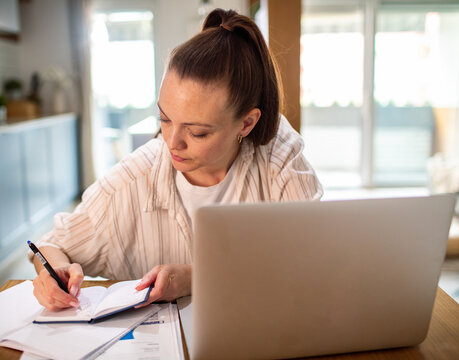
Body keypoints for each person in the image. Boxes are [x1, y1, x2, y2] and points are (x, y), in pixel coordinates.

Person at [30, 8, 322, 311]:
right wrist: (52, 273)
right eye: (165, 119)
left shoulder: (279, 156)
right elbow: (51, 245)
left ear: (246, 124)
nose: (170, 143)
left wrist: (195, 278)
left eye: (197, 133)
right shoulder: (134, 178)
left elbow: (313, 260)